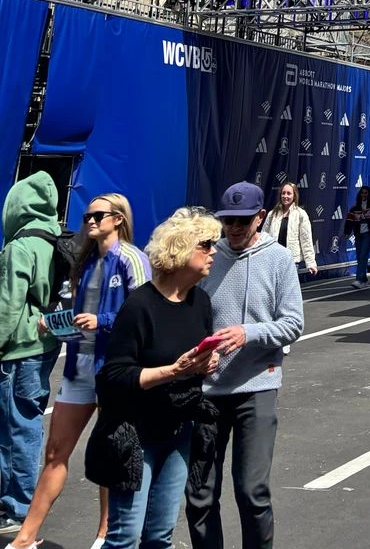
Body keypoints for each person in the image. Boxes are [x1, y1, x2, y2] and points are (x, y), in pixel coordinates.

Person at [12, 193, 148, 549]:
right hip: (78, 365)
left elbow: (143, 313)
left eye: (97, 215)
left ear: (118, 219)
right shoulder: (86, 261)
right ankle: (25, 538)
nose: (89, 221)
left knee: (110, 453)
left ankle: (104, 535)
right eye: (87, 215)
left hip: (114, 367)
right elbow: (79, 315)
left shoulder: (132, 258)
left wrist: (101, 320)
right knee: (55, 451)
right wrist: (56, 322)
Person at [86, 207, 221, 549]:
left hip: (179, 429)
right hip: (136, 432)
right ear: (181, 248)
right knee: (125, 537)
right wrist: (173, 371)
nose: (214, 252)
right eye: (206, 244)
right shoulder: (140, 305)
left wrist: (207, 362)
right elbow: (114, 376)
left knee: (160, 536)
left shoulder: (201, 302)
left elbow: (196, 361)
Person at [185, 181, 304, 549]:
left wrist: (248, 332)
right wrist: (197, 353)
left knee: (252, 491)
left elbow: (293, 323)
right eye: (228, 221)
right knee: (200, 493)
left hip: (257, 386)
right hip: (208, 390)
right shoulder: (208, 257)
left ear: (260, 217)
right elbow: (187, 315)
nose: (234, 228)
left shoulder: (278, 259)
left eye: (243, 220)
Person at [0, 171, 65, 539]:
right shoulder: (53, 238)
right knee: (29, 421)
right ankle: (22, 500)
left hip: (18, 348)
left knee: (15, 426)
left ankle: (16, 506)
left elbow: (8, 305)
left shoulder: (20, 247)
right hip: (46, 343)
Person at [262, 183, 316, 282]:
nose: (285, 196)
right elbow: (264, 237)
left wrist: (311, 263)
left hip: (291, 261)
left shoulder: (301, 214)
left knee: (288, 289)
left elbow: (306, 240)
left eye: (288, 193)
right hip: (273, 260)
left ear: (294, 196)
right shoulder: (272, 214)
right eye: (283, 193)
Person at [343, 187, 370, 289]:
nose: (364, 195)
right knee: (360, 257)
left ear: (369, 195)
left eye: (366, 193)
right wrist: (347, 232)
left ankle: (359, 279)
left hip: (368, 234)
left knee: (363, 256)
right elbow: (349, 221)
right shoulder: (355, 208)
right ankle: (364, 279)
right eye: (362, 193)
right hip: (358, 235)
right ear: (360, 194)